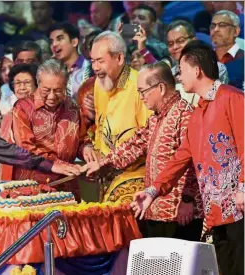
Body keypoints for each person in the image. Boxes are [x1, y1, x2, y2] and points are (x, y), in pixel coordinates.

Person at [131, 41, 244, 275]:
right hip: (216, 214)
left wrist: (243, 186)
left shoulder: (232, 98)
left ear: (196, 70)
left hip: (239, 207)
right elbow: (181, 157)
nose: (178, 76)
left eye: (181, 70)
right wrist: (153, 191)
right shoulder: (198, 112)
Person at [84, 62, 204, 241]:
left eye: (143, 91)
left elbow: (195, 161)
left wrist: (188, 199)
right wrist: (102, 164)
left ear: (161, 88)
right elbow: (134, 145)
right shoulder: (156, 117)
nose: (141, 97)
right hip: (156, 208)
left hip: (179, 210)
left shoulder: (184, 114)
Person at [12, 60, 96, 200]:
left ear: (66, 85)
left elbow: (81, 140)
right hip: (33, 186)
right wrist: (57, 164)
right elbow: (25, 149)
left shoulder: (72, 107)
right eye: (46, 90)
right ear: (38, 84)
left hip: (67, 183)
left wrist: (86, 148)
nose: (51, 96)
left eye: (58, 91)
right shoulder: (23, 108)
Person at [90, 31, 152, 203]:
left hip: (136, 172)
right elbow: (99, 125)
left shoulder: (140, 85)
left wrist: (112, 161)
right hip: (105, 171)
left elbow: (149, 137)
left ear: (119, 58)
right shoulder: (99, 82)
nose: (95, 67)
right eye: (93, 61)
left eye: (100, 61)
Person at [167, 20, 229, 106]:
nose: (175, 47)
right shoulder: (170, 74)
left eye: (180, 41)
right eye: (170, 43)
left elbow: (215, 96)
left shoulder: (216, 67)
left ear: (194, 40)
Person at [0, 63, 38, 180]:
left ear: (37, 84)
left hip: (35, 170)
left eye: (27, 83)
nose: (22, 87)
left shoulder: (41, 114)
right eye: (18, 83)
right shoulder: (8, 115)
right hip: (10, 170)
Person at [49, 22, 92, 100]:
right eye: (51, 41)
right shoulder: (53, 72)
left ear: (74, 42)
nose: (54, 44)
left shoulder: (90, 67)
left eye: (60, 38)